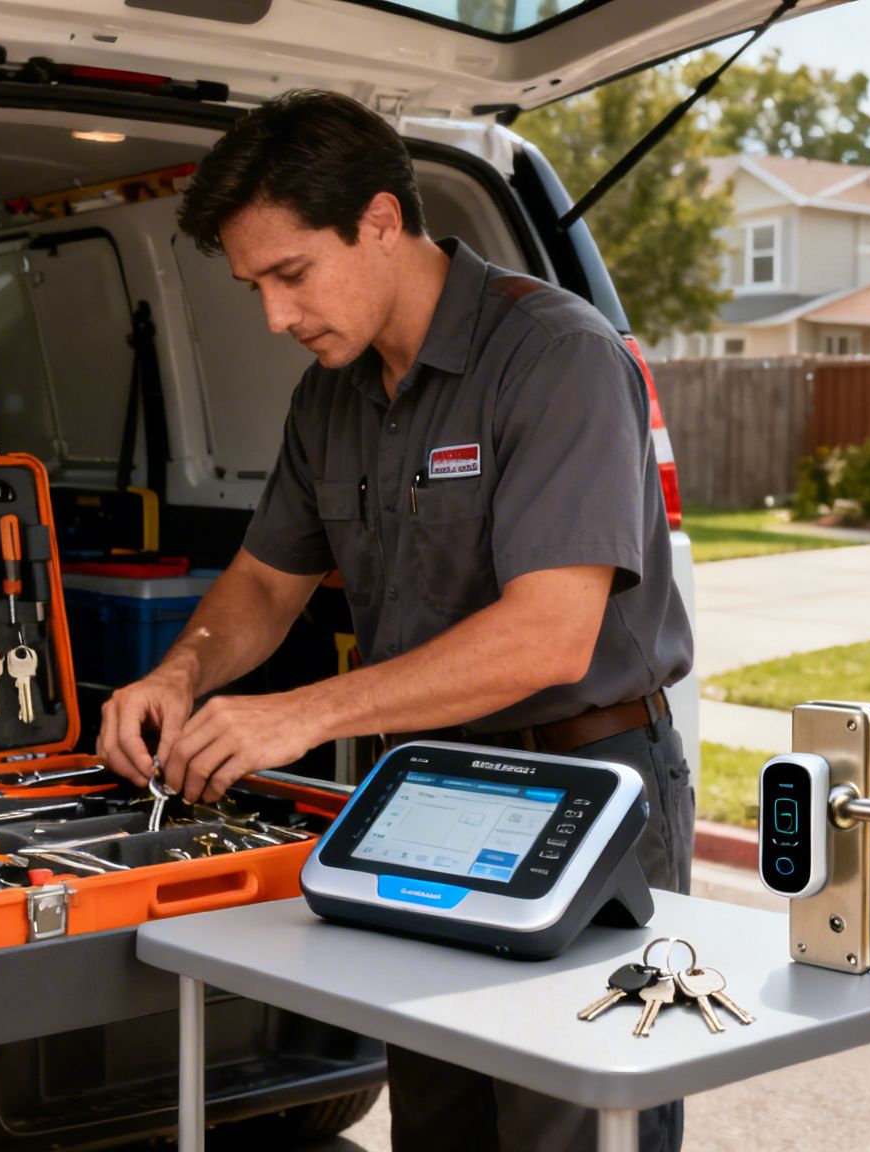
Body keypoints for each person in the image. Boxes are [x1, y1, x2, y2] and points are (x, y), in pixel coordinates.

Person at [95, 89, 695, 1152]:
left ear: (379, 221)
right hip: (424, 795)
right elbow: (264, 585)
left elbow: (547, 634)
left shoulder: (554, 357)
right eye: (253, 287)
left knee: (569, 1120)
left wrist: (301, 715)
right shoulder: (328, 394)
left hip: (584, 792)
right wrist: (178, 675)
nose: (274, 316)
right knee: (438, 1112)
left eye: (290, 274)